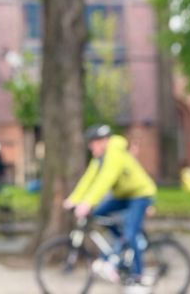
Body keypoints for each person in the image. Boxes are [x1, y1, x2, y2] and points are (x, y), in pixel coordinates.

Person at [63, 124, 157, 291]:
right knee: (97, 214)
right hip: (123, 196)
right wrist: (74, 199)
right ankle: (121, 246)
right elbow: (88, 179)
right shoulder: (99, 158)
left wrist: (88, 202)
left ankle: (138, 277)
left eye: (93, 143)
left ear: (103, 141)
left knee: (130, 231)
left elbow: (105, 179)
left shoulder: (114, 153)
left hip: (140, 195)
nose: (91, 147)